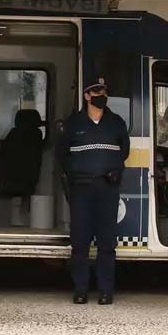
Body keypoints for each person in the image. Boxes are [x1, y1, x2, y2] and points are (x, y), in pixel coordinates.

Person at [57, 77, 130, 306]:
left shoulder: (116, 122)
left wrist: (115, 169)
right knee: (80, 242)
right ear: (87, 96)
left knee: (107, 243)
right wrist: (75, 172)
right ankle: (80, 290)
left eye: (104, 91)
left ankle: (106, 291)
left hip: (107, 189)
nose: (102, 94)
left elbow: (124, 150)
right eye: (97, 91)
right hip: (81, 189)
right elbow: (62, 153)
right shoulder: (74, 123)